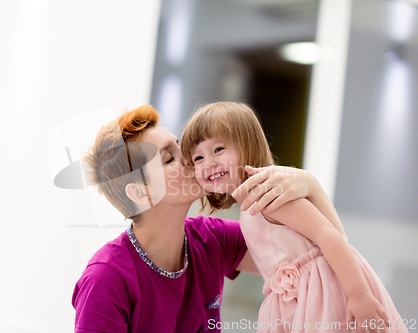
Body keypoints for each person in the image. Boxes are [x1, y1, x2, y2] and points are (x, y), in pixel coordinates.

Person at [72, 105, 346, 333]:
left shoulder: (212, 239)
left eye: (180, 147)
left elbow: (327, 256)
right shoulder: (106, 280)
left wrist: (313, 188)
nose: (191, 159)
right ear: (141, 192)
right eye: (169, 159)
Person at [181, 101, 408, 333]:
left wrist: (359, 295)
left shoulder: (269, 193)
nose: (208, 163)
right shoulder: (249, 208)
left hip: (325, 294)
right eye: (198, 159)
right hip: (299, 303)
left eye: (218, 150)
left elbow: (328, 235)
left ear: (247, 146)